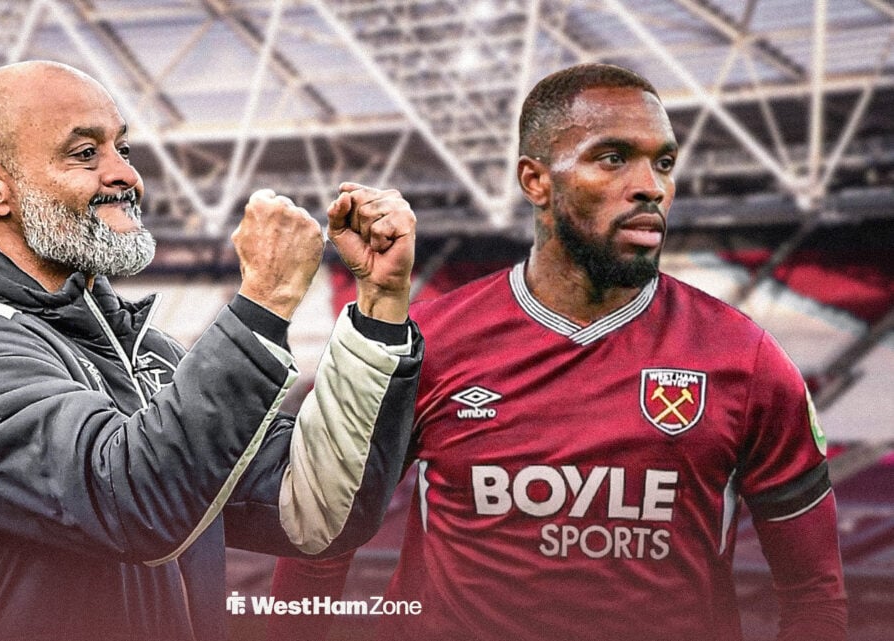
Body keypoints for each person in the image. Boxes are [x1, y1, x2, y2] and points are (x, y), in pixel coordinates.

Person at [267, 63, 847, 641]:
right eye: (613, 158)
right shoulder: (425, 345)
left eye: (663, 162)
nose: (651, 185)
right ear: (535, 180)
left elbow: (814, 595)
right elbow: (321, 542)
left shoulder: (746, 361)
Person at [0, 60, 424, 641]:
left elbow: (315, 513)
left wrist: (380, 304)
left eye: (122, 149)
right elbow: (133, 505)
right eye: (85, 154)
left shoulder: (143, 351)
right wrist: (265, 300)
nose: (126, 175)